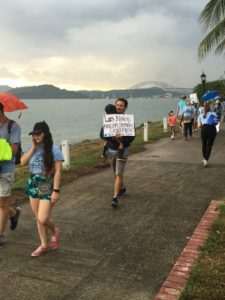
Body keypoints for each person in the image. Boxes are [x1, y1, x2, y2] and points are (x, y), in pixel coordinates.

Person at [20, 121, 64, 257]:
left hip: (45, 184)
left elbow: (57, 172)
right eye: (34, 134)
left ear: (45, 134)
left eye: (38, 134)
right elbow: (22, 163)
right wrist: (33, 148)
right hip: (33, 182)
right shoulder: (31, 147)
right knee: (38, 218)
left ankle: (54, 230)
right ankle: (44, 245)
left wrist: (56, 191)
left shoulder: (54, 149)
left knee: (43, 217)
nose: (35, 137)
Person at [100, 98, 135, 208]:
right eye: (117, 105)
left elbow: (132, 138)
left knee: (118, 173)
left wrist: (122, 140)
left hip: (122, 150)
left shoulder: (128, 120)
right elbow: (102, 134)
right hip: (111, 149)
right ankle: (122, 188)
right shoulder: (109, 119)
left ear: (125, 107)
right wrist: (113, 137)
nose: (119, 107)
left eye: (121, 105)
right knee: (115, 173)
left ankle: (115, 198)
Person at [0, 102, 21, 249]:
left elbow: (13, 151)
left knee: (2, 203)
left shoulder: (13, 126)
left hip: (5, 170)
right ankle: (13, 213)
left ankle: (0, 236)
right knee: (2, 203)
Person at [198, 102, 218, 167]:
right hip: (212, 129)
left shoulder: (200, 115)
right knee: (209, 145)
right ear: (210, 108)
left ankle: (204, 158)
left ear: (203, 108)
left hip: (204, 129)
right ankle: (206, 160)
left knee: (204, 144)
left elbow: (199, 126)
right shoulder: (214, 113)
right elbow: (216, 123)